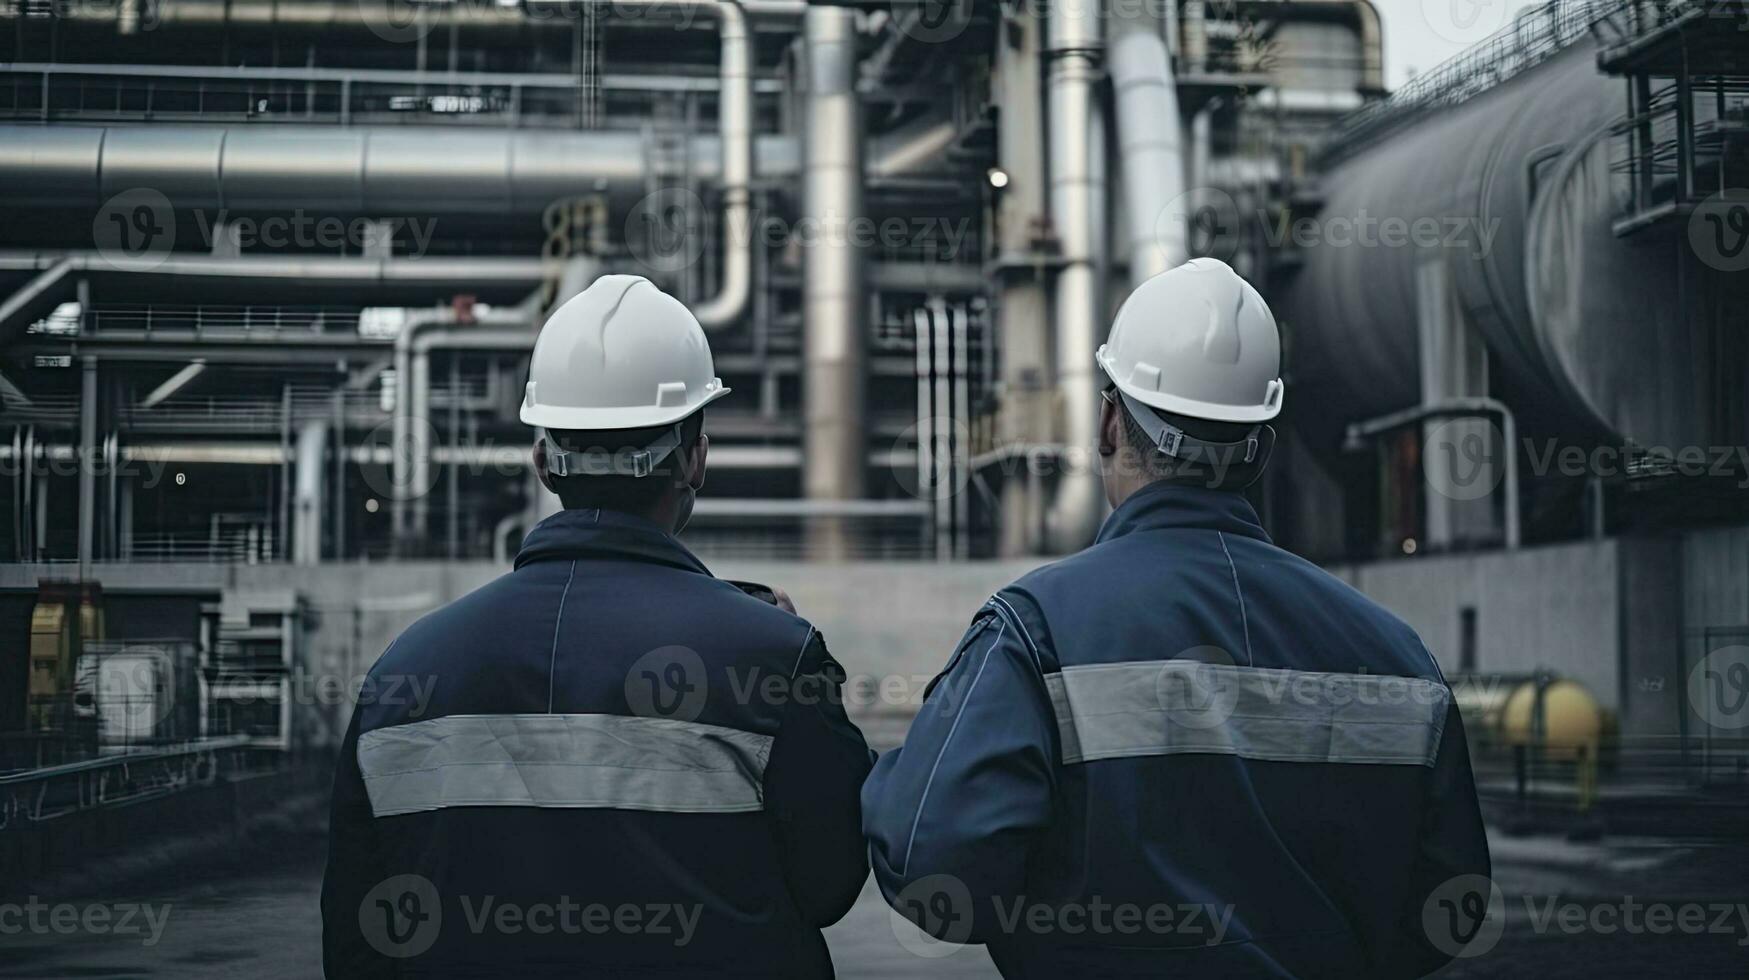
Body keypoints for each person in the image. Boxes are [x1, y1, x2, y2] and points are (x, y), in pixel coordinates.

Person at [862, 258, 1492, 978]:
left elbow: (934, 874)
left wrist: (886, 779)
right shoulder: (1395, 652)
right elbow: (1450, 909)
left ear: (1107, 421)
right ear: (1261, 450)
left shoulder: (1036, 631)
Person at [322, 275, 872, 978]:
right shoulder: (772, 657)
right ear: (694, 457)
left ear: (543, 459)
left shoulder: (404, 671)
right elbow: (830, 885)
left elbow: (357, 937)